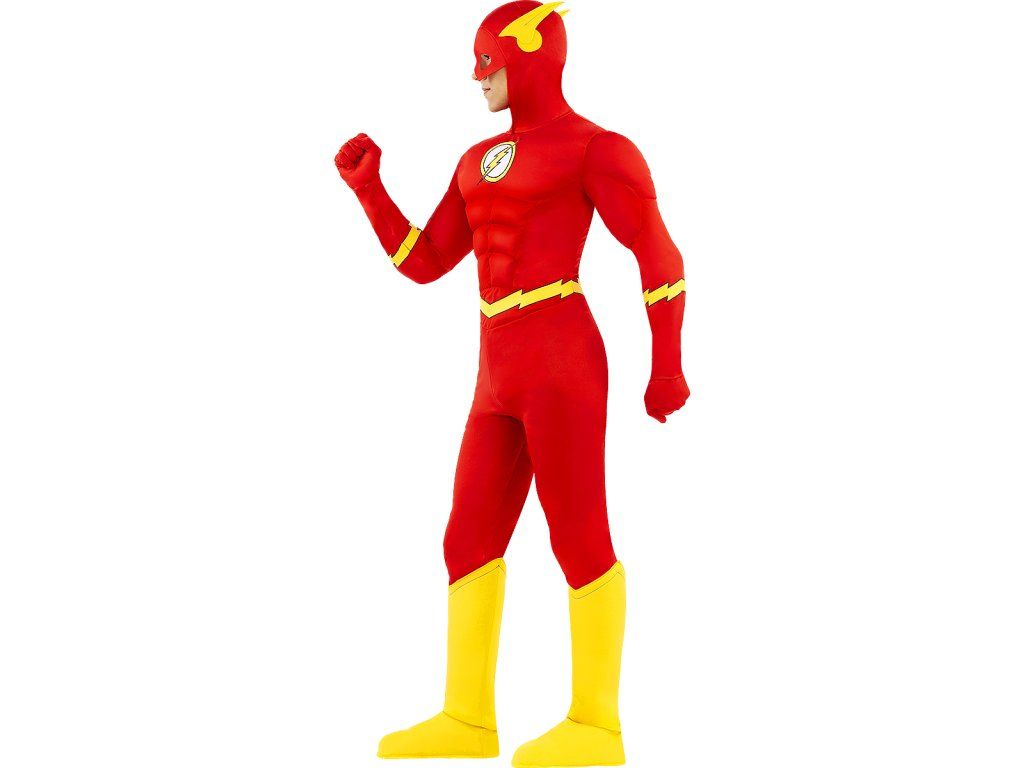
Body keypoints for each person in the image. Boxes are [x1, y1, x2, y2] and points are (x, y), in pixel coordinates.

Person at [335, 2, 688, 765]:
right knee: (466, 536)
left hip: (561, 357)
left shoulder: (596, 149)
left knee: (578, 532)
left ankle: (597, 724)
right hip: (495, 364)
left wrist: (667, 362)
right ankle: (467, 717)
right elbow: (426, 260)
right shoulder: (475, 161)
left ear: (530, 55)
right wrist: (370, 191)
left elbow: (657, 252)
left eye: (487, 60)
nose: (476, 76)